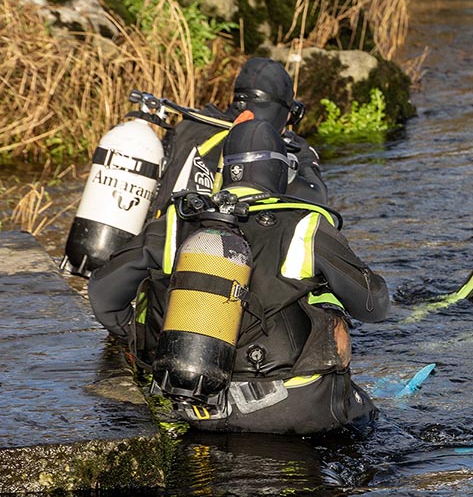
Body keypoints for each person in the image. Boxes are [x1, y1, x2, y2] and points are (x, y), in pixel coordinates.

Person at [88, 119, 388, 435]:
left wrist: (148, 336)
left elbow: (102, 294)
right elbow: (374, 306)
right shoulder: (306, 226)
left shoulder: (177, 223)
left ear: (224, 171)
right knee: (370, 427)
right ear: (281, 171)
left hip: (197, 404)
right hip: (295, 408)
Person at [148, 57, 326, 219]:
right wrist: (305, 156)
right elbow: (317, 200)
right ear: (284, 112)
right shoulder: (256, 144)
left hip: (157, 236)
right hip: (205, 247)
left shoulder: (191, 124)